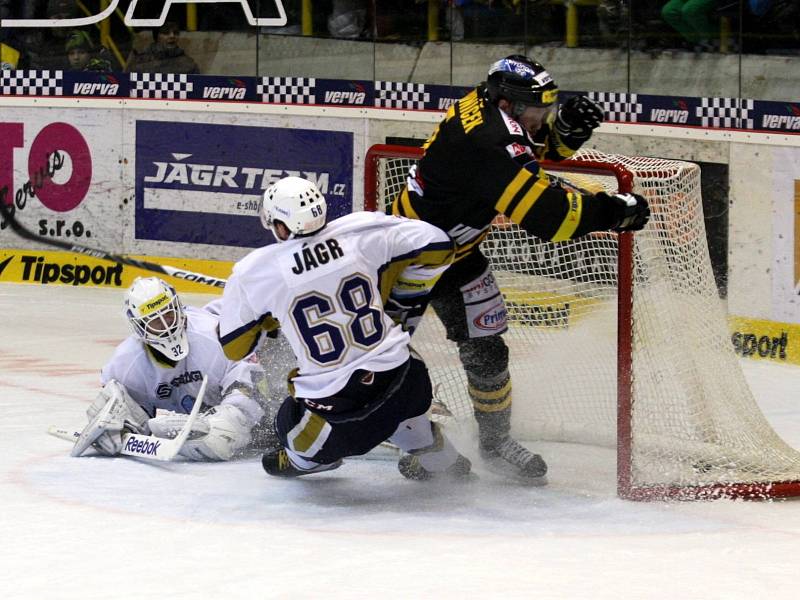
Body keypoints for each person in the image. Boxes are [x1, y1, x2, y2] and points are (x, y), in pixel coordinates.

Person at [390, 54, 650, 482]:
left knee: (488, 347)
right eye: (537, 111)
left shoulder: (489, 108)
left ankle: (493, 443)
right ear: (508, 103)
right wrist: (613, 212)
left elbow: (524, 156)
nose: (541, 118)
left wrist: (561, 135)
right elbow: (550, 216)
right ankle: (418, 443)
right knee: (379, 354)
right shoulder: (488, 141)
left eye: (547, 109)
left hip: (457, 253)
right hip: (407, 258)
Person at [217, 176, 472, 481]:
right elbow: (440, 245)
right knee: (406, 415)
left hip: (339, 416)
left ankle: (310, 461)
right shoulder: (360, 230)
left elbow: (235, 347)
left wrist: (268, 323)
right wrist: (401, 303)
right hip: (409, 383)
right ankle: (440, 459)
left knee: (287, 425)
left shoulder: (253, 272)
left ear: (281, 227)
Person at [71, 277, 269, 461]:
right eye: (156, 321)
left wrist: (229, 420)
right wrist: (116, 425)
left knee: (228, 429)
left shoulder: (214, 334)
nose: (167, 326)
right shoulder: (125, 364)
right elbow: (130, 416)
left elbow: (249, 380)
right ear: (140, 327)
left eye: (169, 314)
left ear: (178, 307)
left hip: (263, 405)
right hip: (205, 407)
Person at [125, 20, 199, 74]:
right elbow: (127, 85)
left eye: (176, 33)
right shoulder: (141, 61)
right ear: (157, 37)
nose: (172, 36)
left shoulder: (187, 63)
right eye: (166, 32)